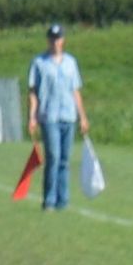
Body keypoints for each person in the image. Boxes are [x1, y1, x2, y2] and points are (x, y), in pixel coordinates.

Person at [24, 23, 85, 212]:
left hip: (68, 115)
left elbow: (75, 91)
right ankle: (49, 199)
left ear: (63, 40)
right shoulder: (39, 63)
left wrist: (82, 116)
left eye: (58, 39)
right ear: (48, 40)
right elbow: (33, 92)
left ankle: (63, 200)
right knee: (54, 157)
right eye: (52, 39)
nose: (55, 42)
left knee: (65, 160)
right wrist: (32, 116)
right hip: (49, 115)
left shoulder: (70, 63)